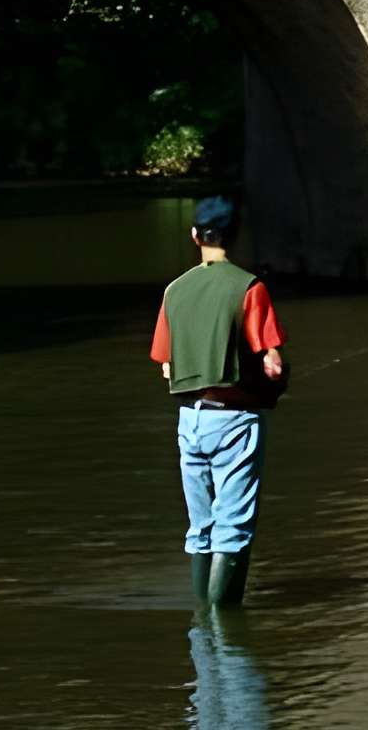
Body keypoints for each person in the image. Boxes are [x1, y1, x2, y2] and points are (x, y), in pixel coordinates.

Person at [152, 193, 286, 609]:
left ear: (195, 236)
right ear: (234, 235)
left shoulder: (174, 291)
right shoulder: (249, 288)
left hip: (189, 422)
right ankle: (223, 620)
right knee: (234, 527)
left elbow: (166, 366)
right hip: (235, 420)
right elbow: (273, 364)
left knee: (201, 527)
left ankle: (203, 626)